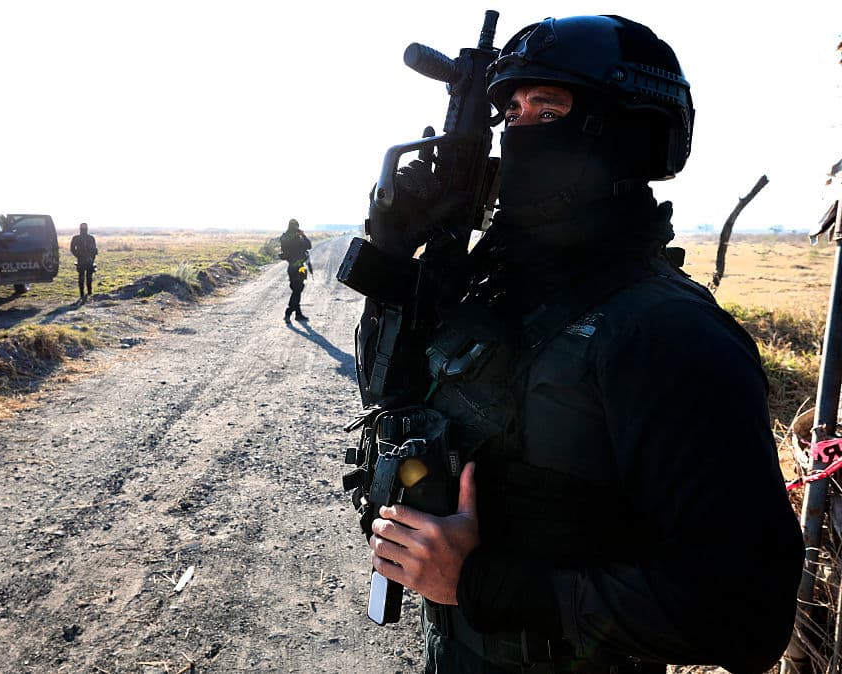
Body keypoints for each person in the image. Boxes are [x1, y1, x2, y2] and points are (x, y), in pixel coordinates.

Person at [354, 15, 804, 674]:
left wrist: (479, 583)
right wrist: (399, 253)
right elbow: (389, 402)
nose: (520, 127)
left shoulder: (664, 333)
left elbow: (745, 615)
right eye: (511, 110)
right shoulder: (500, 291)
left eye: (548, 108)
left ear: (622, 133)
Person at [279, 218, 311, 322]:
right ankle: (288, 313)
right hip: (299, 267)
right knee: (297, 290)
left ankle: (298, 314)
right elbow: (309, 245)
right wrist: (303, 235)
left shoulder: (284, 238)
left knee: (296, 289)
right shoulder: (298, 238)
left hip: (291, 267)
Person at [69, 222, 98, 299]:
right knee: (85, 277)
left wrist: (79, 256)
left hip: (85, 260)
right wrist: (80, 256)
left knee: (85, 277)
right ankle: (86, 293)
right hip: (84, 260)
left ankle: (86, 293)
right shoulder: (89, 238)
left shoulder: (79, 238)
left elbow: (94, 250)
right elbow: (95, 250)